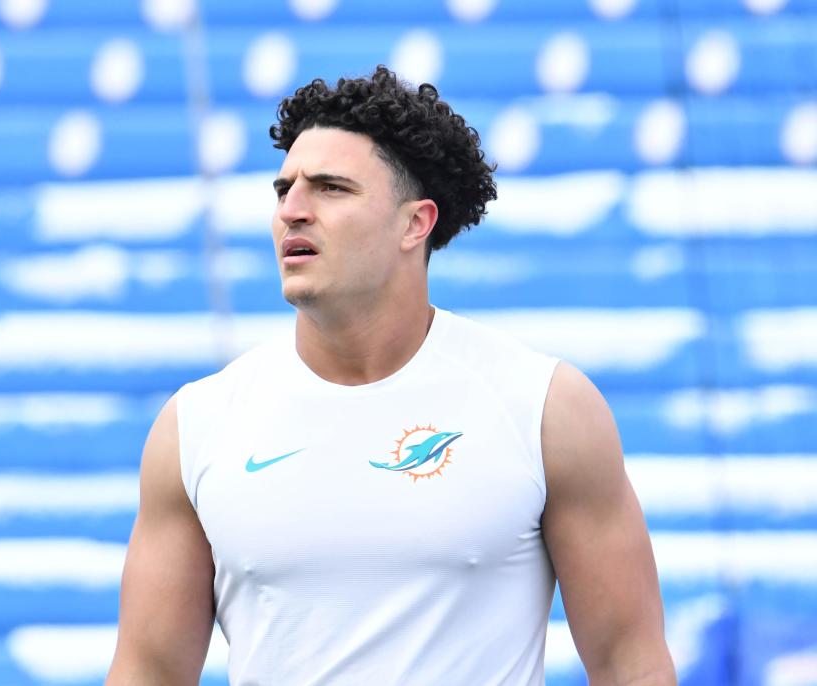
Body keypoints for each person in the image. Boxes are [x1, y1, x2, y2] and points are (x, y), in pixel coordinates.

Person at [106, 66, 676, 685]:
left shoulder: (543, 407)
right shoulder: (198, 423)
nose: (292, 211)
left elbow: (631, 664)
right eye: (283, 189)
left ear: (415, 223)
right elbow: (148, 672)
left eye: (330, 188)